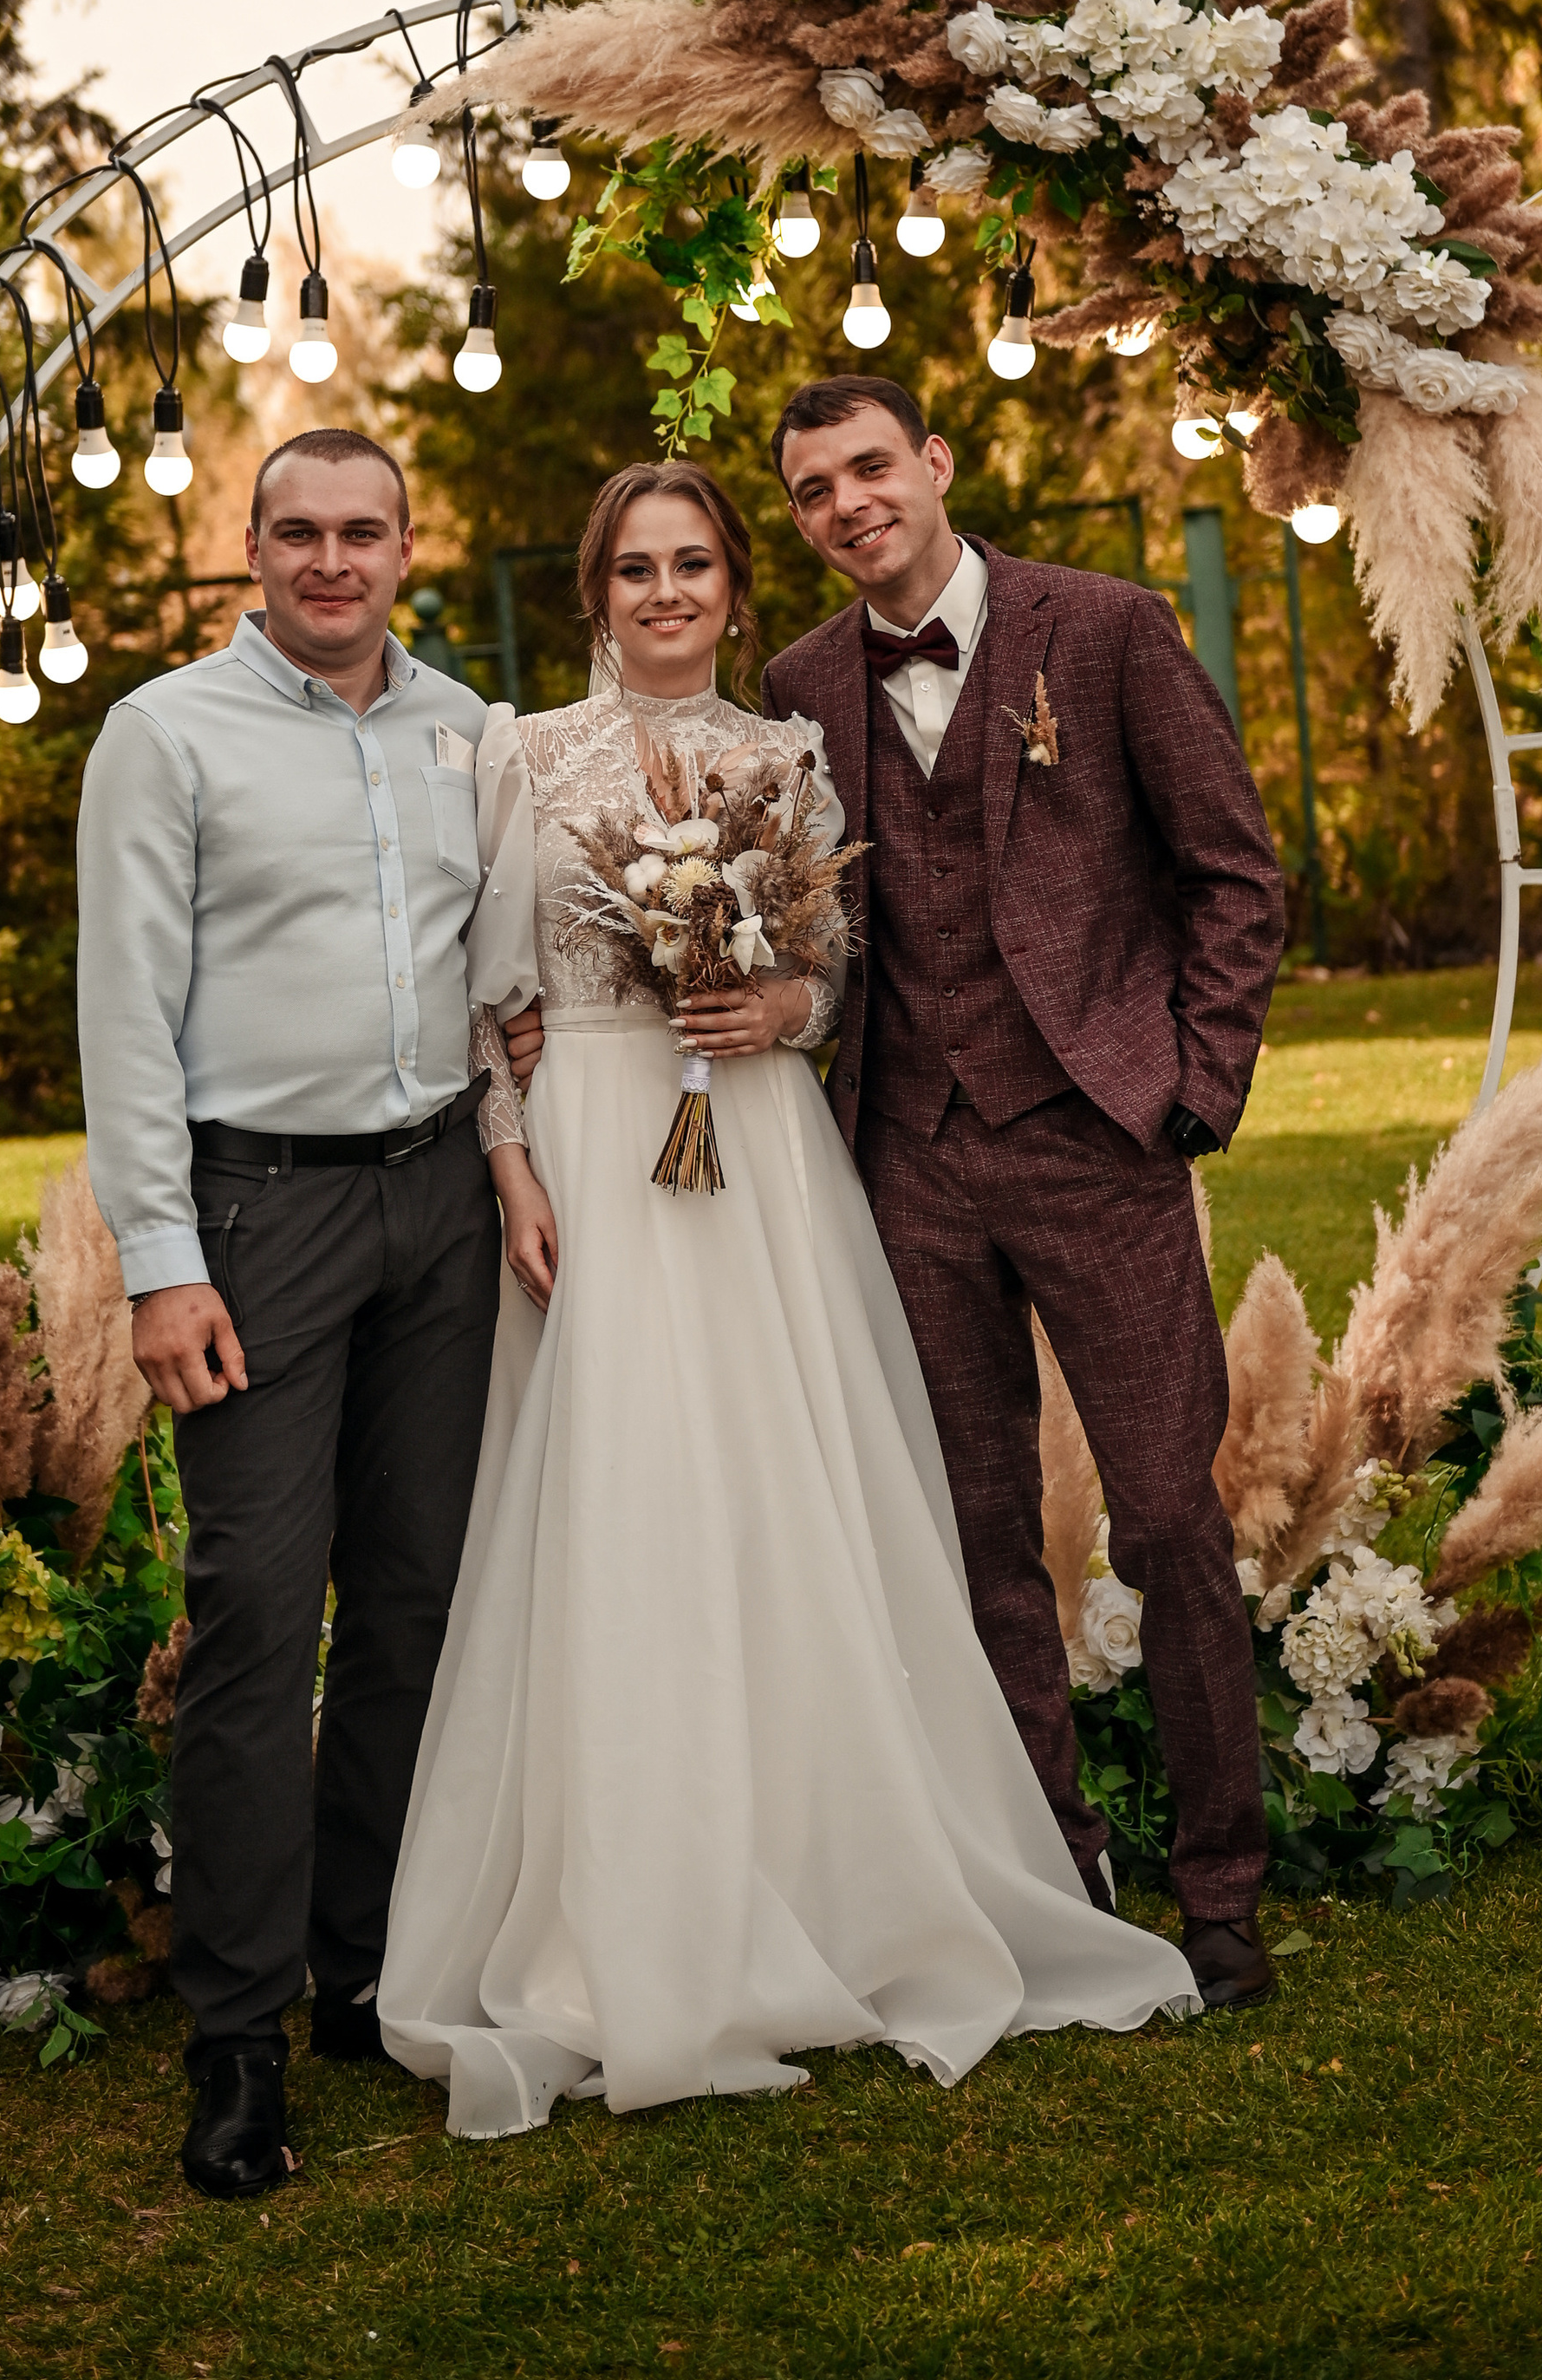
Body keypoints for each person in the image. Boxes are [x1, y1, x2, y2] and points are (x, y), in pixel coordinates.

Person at [376, 460, 1199, 2141]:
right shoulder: (524, 755)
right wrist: (514, 1158)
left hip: (752, 1156)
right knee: (623, 1508)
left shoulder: (786, 755)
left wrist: (778, 1000)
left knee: (786, 1497)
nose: (663, 592)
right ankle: (632, 1906)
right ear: (594, 592)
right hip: (599, 1157)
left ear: (733, 592)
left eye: (690, 565)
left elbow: (832, 970)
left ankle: (836, 1868)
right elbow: (487, 992)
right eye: (632, 568)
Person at [757, 375, 1285, 2012]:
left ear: (936, 463)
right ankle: (1054, 1873)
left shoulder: (1110, 629)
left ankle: (1224, 1890)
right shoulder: (794, 690)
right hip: (907, 1159)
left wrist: (1190, 1089)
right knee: (980, 1536)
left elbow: (1236, 872)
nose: (848, 505)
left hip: (1097, 1139)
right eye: (810, 492)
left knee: (1171, 1518)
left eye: (868, 468)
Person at [76, 427, 502, 2199]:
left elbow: (508, 967)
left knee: (415, 1594)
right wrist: (161, 1260)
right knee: (258, 1613)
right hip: (256, 1216)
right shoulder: (165, 734)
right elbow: (123, 1009)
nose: (331, 561)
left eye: (363, 532)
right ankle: (236, 2035)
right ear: (248, 547)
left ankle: (359, 1960)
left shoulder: (468, 729)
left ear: (409, 543)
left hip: (442, 1202)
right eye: (297, 532)